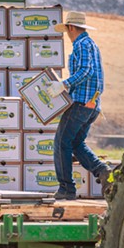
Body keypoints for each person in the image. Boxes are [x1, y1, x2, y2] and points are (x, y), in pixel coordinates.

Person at [46, 11, 111, 200]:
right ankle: (101, 170)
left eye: (67, 29)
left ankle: (66, 189)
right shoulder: (91, 45)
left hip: (81, 104)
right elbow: (94, 74)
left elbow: (86, 70)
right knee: (75, 143)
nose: (66, 32)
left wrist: (63, 84)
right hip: (92, 105)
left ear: (71, 28)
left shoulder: (81, 45)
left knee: (61, 143)